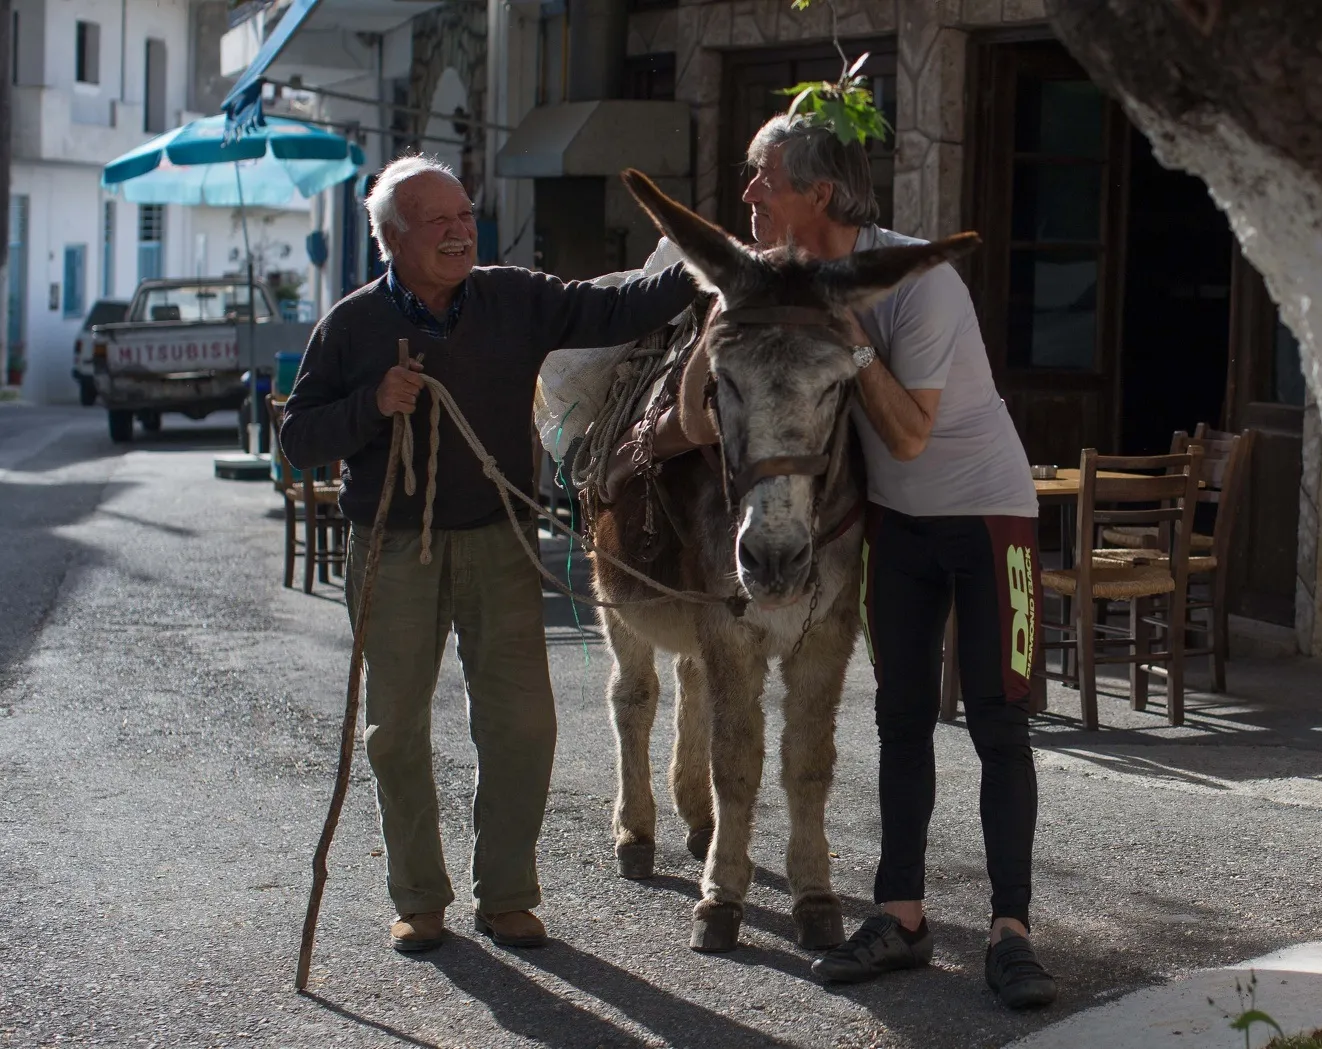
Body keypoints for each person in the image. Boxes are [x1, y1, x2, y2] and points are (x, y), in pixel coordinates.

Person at [280, 155, 697, 954]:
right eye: (438, 220)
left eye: (465, 215)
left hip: (499, 539)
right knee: (394, 730)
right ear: (393, 239)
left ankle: (507, 893)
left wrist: (700, 269)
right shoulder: (352, 324)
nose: (459, 230)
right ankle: (419, 897)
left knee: (521, 725)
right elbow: (298, 438)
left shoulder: (516, 298)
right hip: (392, 549)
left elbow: (615, 311)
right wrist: (373, 405)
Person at [721, 115, 1056, 1009]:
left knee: (999, 724)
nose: (747, 192)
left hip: (991, 520)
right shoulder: (789, 280)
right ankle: (902, 916)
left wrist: (848, 333)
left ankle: (1011, 933)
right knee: (902, 721)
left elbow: (907, 435)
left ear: (818, 195)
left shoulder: (920, 279)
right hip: (898, 529)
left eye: (763, 176)